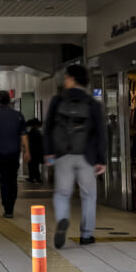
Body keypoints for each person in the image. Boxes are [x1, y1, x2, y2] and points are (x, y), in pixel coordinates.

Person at [45, 65, 107, 248]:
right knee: (88, 195)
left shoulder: (57, 100)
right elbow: (101, 132)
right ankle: (86, 235)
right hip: (87, 156)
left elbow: (48, 129)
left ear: (71, 79)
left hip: (63, 155)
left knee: (62, 193)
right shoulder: (92, 103)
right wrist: (101, 159)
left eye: (66, 78)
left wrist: (48, 153)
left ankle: (63, 219)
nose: (64, 81)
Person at [0, 91, 28, 218]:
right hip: (14, 153)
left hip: (0, 153)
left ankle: (6, 206)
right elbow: (24, 134)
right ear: (9, 101)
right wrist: (27, 151)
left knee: (3, 180)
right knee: (12, 180)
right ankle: (10, 207)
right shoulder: (18, 115)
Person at [26, 118, 45, 184]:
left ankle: (34, 178)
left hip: (33, 151)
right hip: (36, 151)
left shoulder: (32, 132)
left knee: (32, 165)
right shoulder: (36, 132)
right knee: (34, 165)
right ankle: (35, 178)